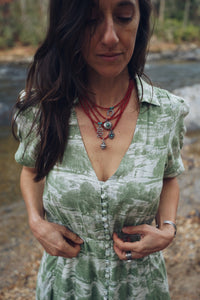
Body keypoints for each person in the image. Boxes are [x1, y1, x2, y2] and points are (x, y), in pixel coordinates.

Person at [12, 0, 189, 299]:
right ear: (68, 27)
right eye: (91, 20)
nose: (110, 37)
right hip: (65, 286)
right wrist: (35, 222)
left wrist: (167, 230)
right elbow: (30, 170)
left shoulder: (166, 112)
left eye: (123, 17)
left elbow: (170, 176)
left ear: (140, 24)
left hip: (141, 287)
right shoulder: (42, 109)